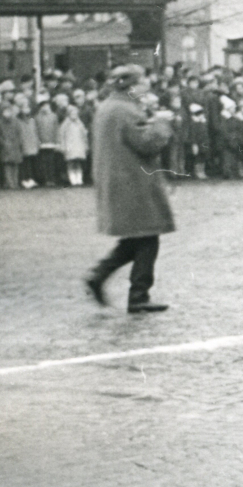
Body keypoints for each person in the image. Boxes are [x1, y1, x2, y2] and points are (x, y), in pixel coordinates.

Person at [84, 65, 176, 313]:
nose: (147, 85)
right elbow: (146, 144)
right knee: (147, 236)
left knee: (136, 238)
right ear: (132, 86)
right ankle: (138, 295)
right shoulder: (126, 110)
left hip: (119, 180)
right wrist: (161, 124)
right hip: (133, 182)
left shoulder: (108, 106)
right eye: (143, 81)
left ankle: (99, 276)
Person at [61, 105, 88, 186]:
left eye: (76, 113)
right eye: (72, 113)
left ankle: (79, 178)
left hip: (78, 145)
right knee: (71, 162)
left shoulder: (80, 123)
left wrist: (85, 145)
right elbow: (62, 135)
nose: (74, 115)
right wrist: (63, 146)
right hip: (69, 146)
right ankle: (72, 179)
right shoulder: (65, 124)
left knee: (78, 162)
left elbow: (84, 135)